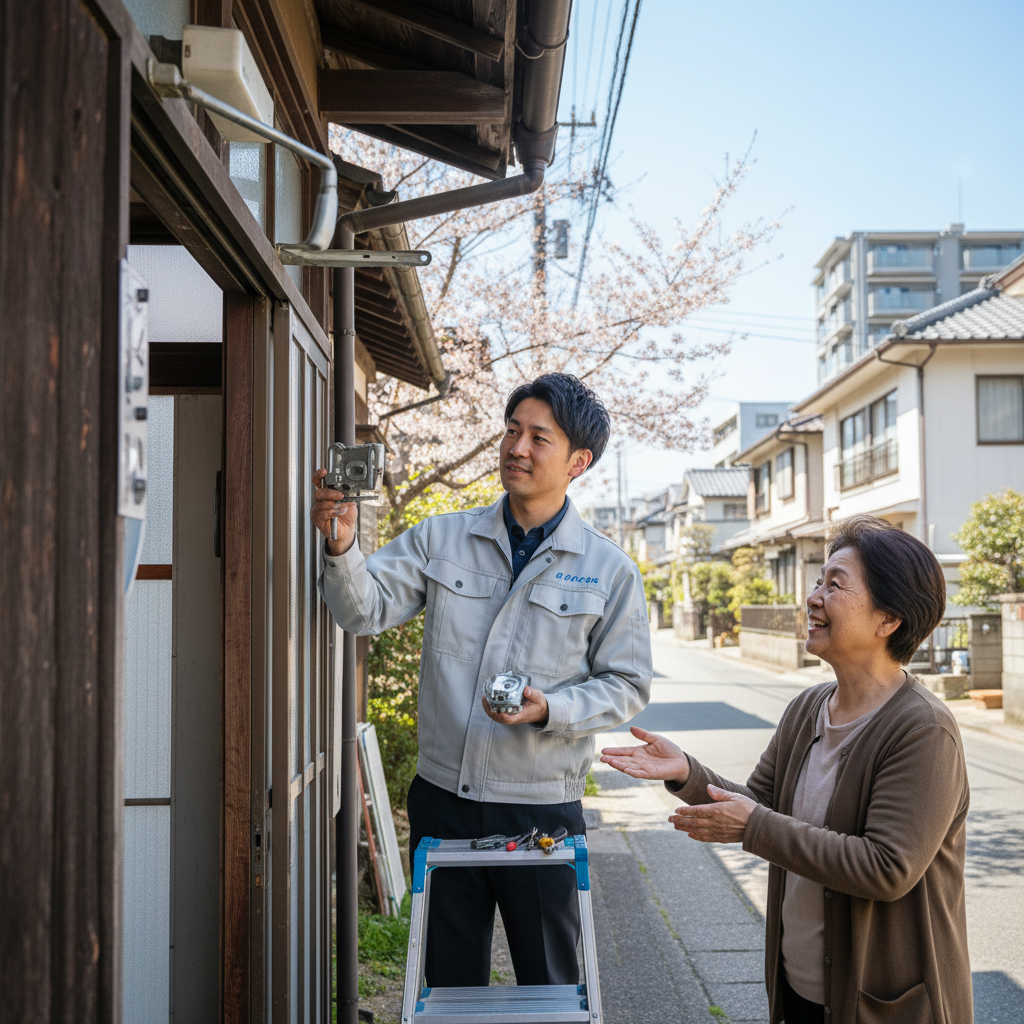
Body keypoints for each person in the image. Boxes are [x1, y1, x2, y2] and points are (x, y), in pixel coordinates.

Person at [311, 373, 652, 988]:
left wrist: (550, 707)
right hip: (444, 799)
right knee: (446, 984)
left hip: (542, 812)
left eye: (538, 437)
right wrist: (341, 547)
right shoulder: (443, 537)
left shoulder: (609, 569)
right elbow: (362, 610)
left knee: (550, 983)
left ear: (579, 461)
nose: (517, 447)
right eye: (512, 431)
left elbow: (627, 685)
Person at [601, 516, 971, 1024]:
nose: (813, 597)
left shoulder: (923, 729)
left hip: (883, 1003)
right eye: (819, 581)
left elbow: (887, 868)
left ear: (889, 619)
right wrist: (687, 771)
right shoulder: (808, 707)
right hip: (799, 988)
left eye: (835, 584)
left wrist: (753, 828)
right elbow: (762, 804)